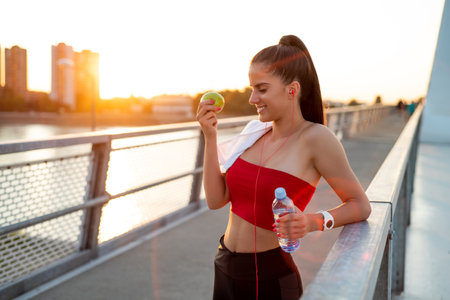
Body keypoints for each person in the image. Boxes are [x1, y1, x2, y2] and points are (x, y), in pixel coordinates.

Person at [196, 35, 371, 300]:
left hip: (268, 278)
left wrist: (312, 222)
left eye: (262, 89)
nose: (253, 98)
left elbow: (360, 205)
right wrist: (210, 136)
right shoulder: (255, 133)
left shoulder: (317, 138)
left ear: (292, 89)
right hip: (224, 264)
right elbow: (215, 199)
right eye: (252, 88)